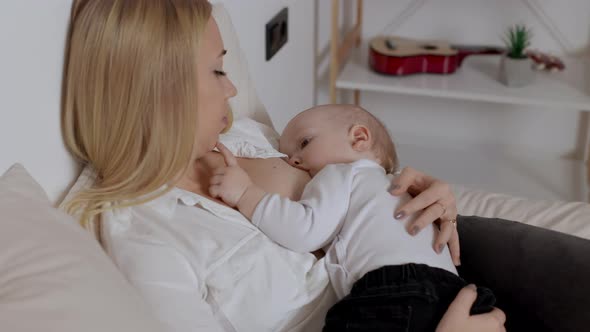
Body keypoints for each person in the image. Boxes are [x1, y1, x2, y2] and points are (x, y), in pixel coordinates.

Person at [60, 0, 506, 331]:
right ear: (160, 90)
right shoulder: (148, 234)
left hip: (442, 274)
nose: (233, 90)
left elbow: (353, 191)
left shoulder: (244, 137)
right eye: (217, 72)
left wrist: (422, 193)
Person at [210, 104, 497, 331]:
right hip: (457, 293)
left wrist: (246, 194)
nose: (293, 159)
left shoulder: (343, 173)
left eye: (304, 142)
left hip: (397, 291)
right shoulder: (396, 188)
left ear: (359, 137)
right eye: (287, 155)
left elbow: (305, 230)